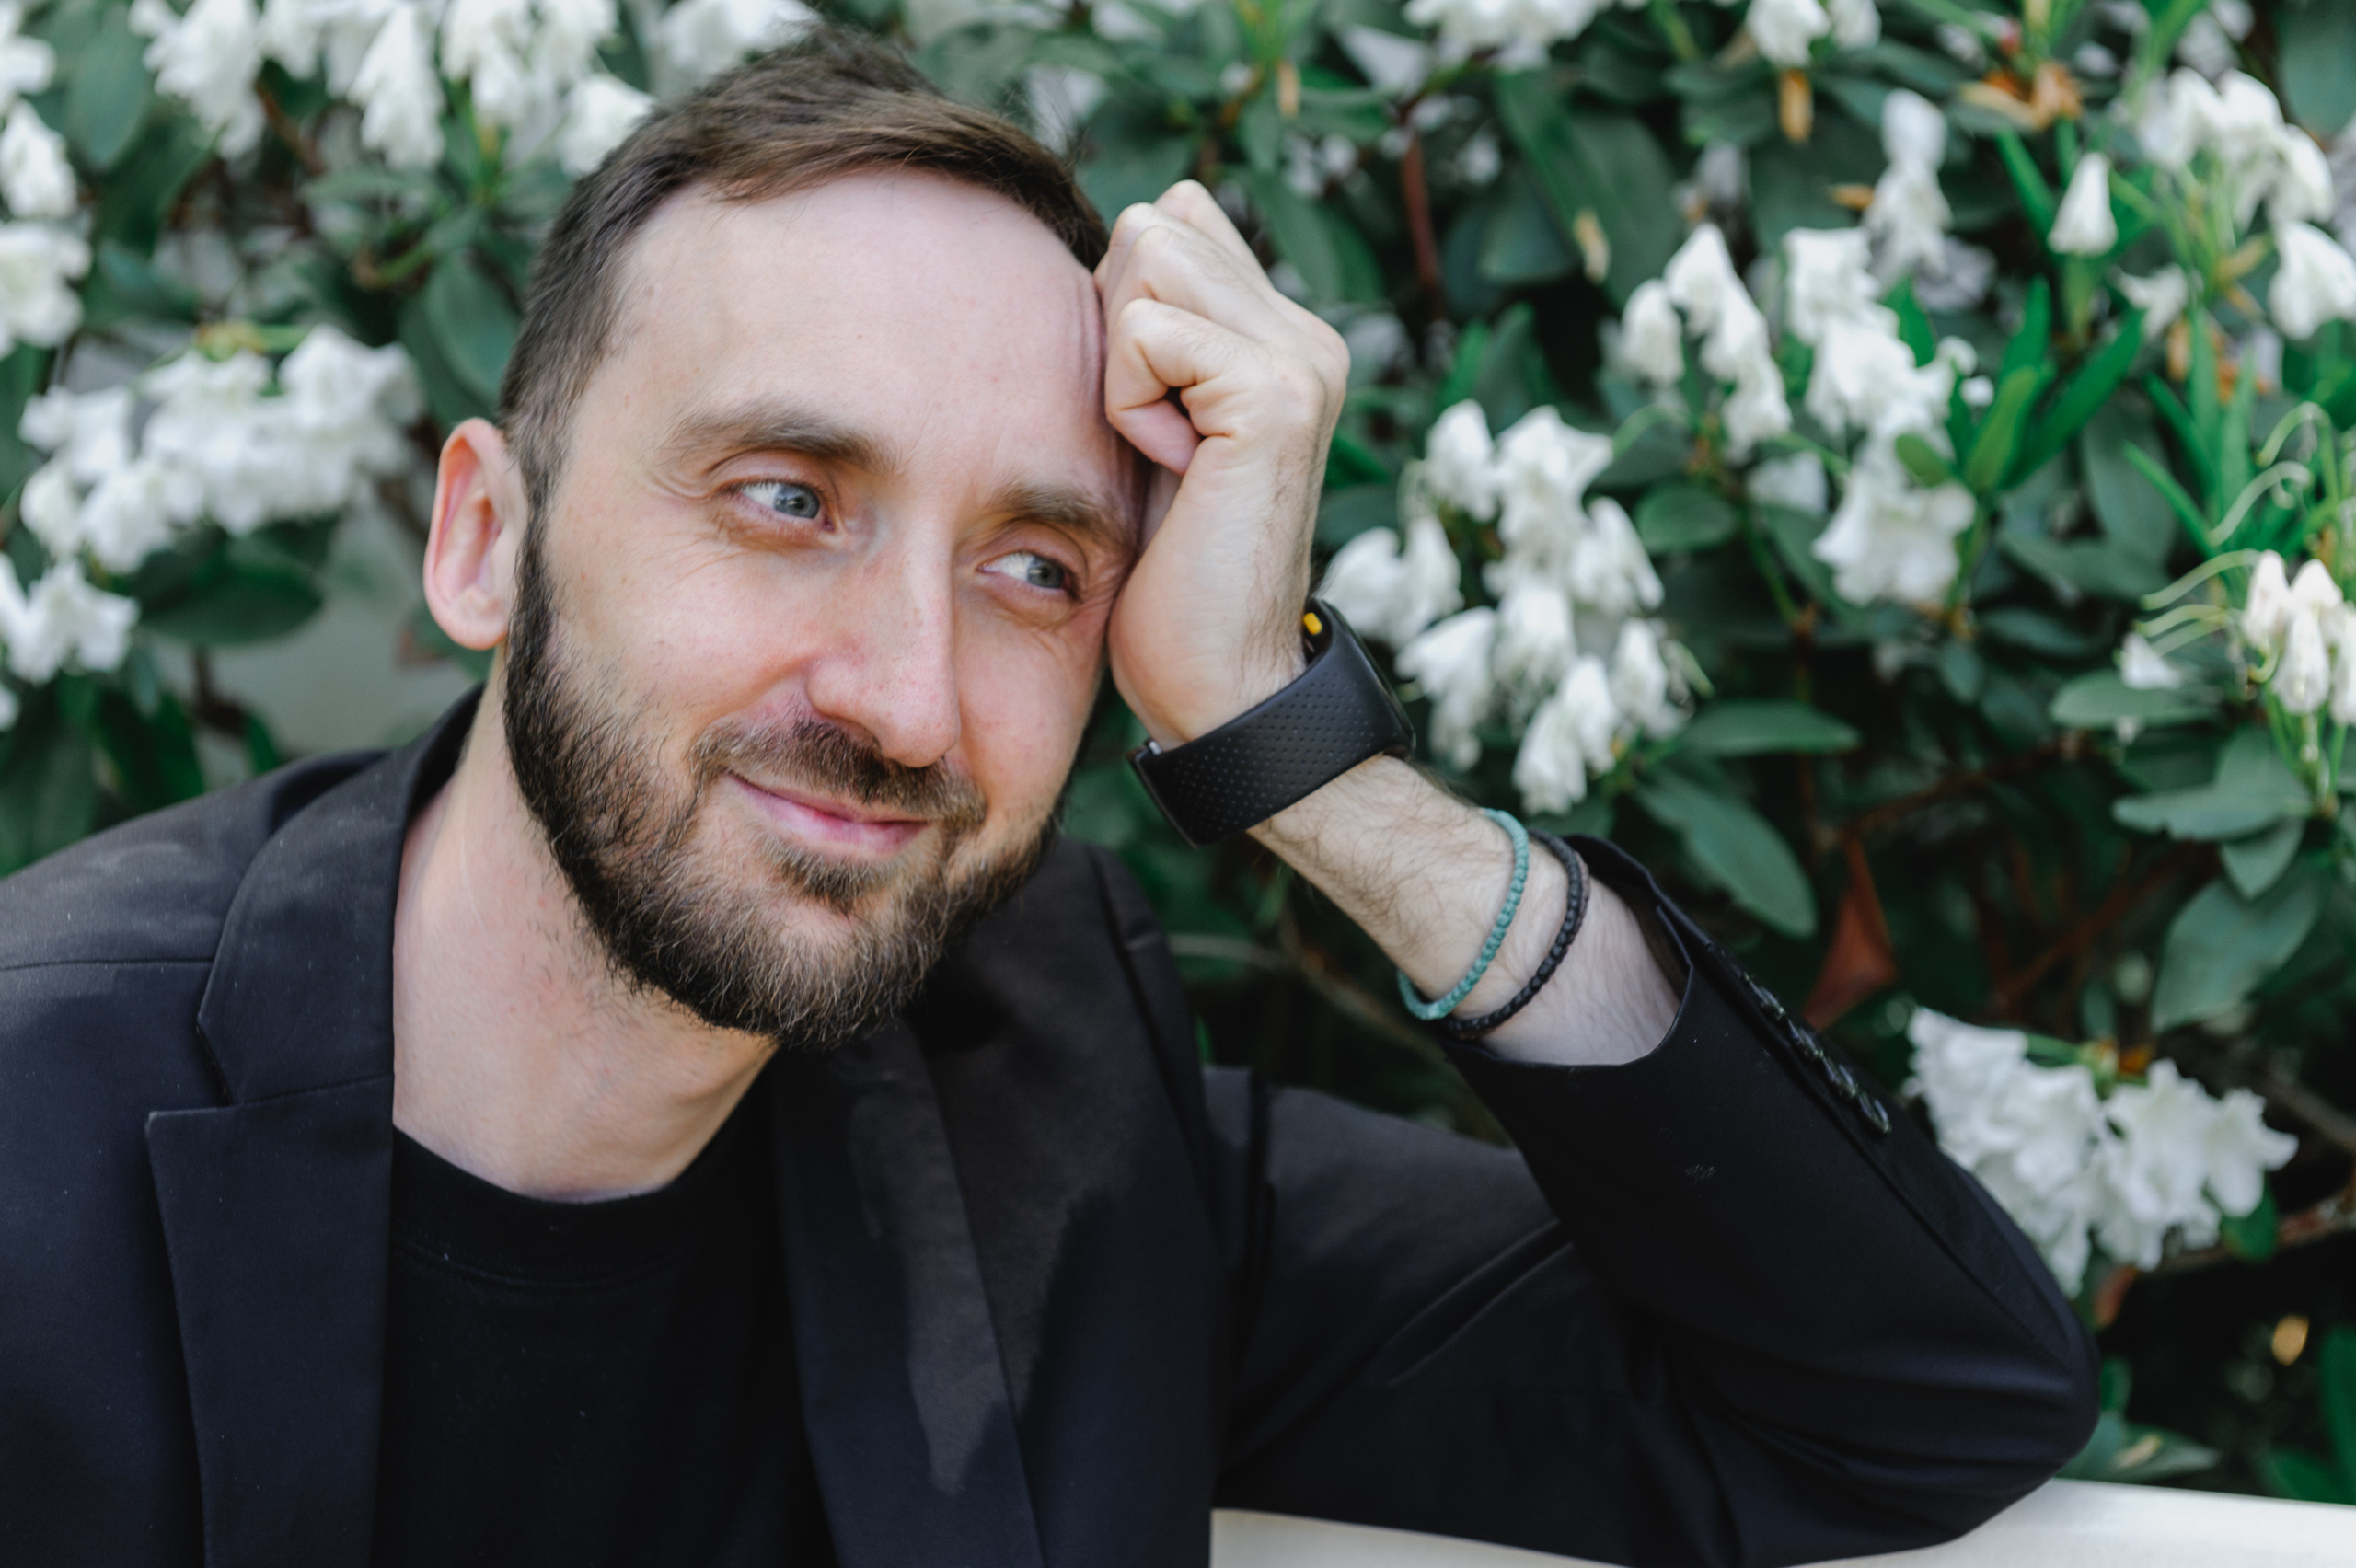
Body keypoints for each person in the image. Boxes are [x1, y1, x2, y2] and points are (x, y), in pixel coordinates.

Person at [0, 29, 2096, 1568]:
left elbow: (1903, 1407)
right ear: (482, 540)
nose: (909, 699)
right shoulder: (36, 1129)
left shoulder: (1045, 1104)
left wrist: (1300, 756)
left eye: (1034, 571)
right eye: (786, 498)